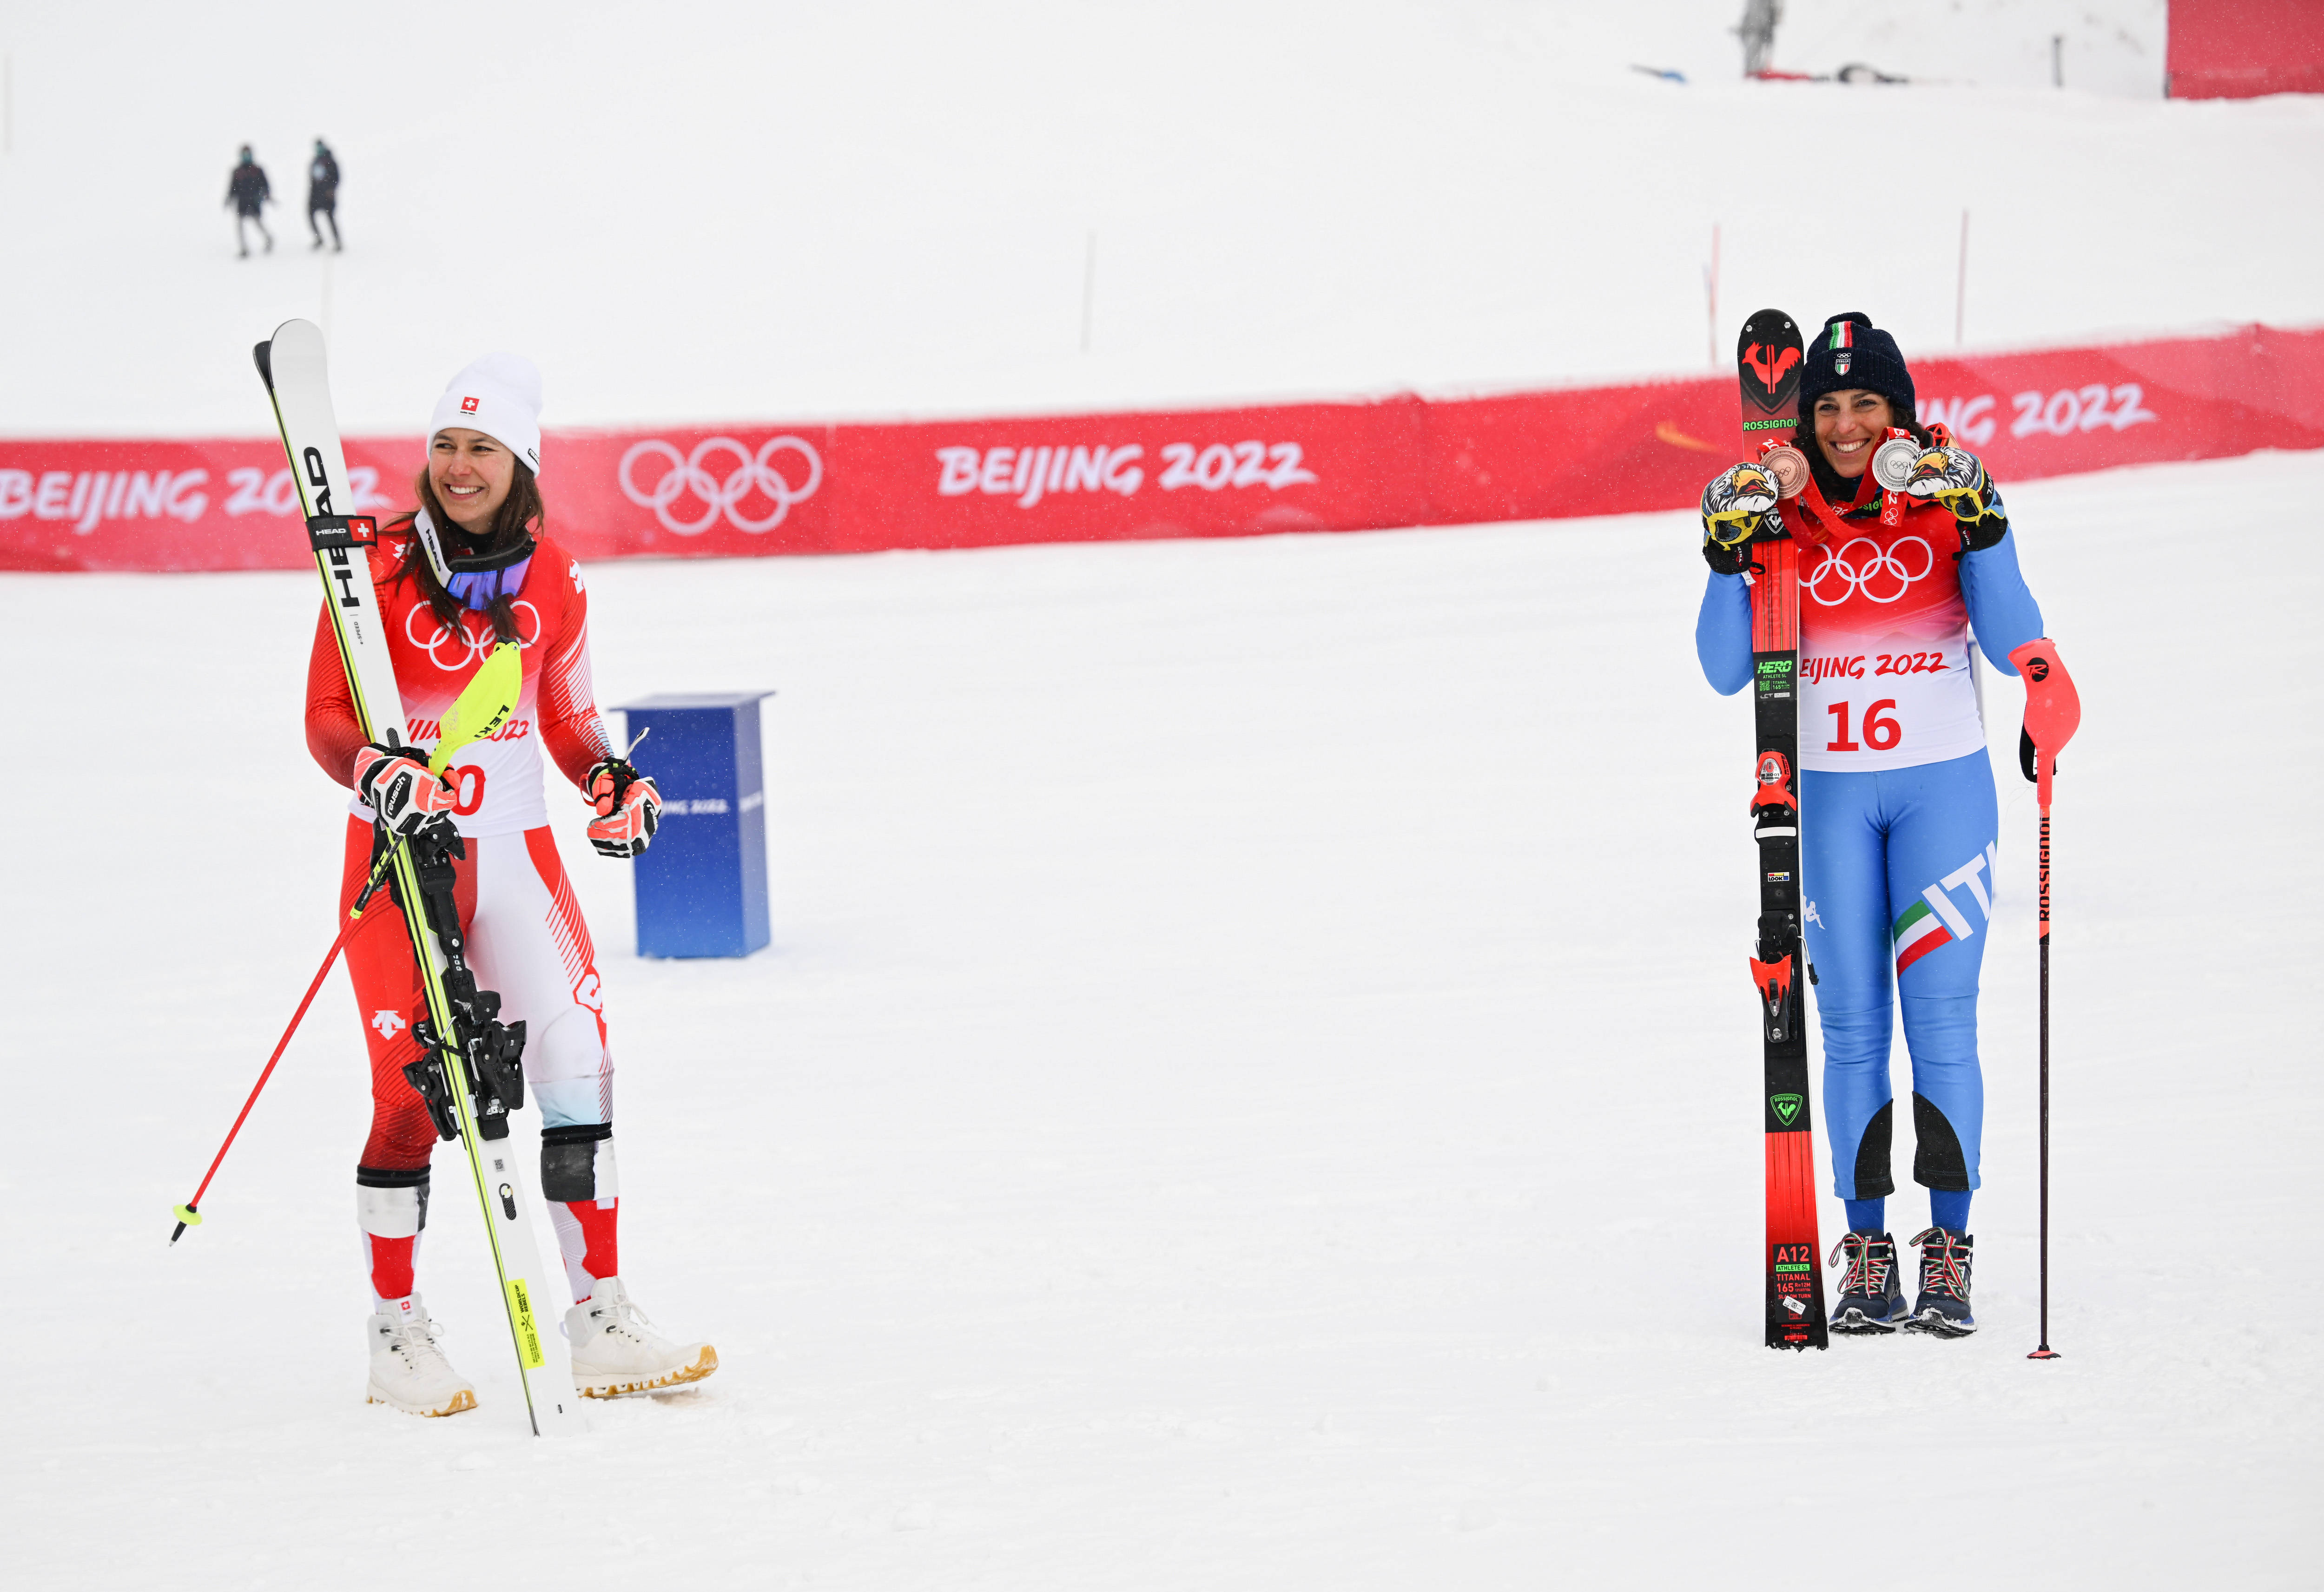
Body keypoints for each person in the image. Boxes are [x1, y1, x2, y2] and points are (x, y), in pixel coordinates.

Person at [304, 353, 715, 1415]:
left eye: (480, 447)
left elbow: (571, 722)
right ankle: (395, 1333)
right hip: (400, 863)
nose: (457, 464)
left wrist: (611, 783)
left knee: (579, 1062)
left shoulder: (558, 578)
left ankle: (601, 1319)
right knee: (410, 1095)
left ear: (521, 463)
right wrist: (375, 765)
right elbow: (326, 718)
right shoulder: (371, 567)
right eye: (443, 445)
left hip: (517, 853)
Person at [1694, 312, 2068, 1337]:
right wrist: (1724, 557)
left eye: (1867, 404)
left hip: (1941, 791)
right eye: (1827, 406)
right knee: (1853, 1024)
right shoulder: (1776, 510)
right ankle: (1865, 1251)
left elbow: (2008, 636)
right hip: (1831, 801)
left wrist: (1988, 528)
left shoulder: (1939, 494)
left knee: (1940, 1019)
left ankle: (1947, 1249)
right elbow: (1726, 670)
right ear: (1805, 417)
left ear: (1898, 411)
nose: (1848, 425)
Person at [225, 145, 272, 257]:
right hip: (242, 202)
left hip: (254, 202)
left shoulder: (257, 170)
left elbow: (265, 185)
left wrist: (265, 195)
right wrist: (229, 198)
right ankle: (244, 248)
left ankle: (269, 239)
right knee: (240, 225)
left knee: (258, 223)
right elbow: (233, 187)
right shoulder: (237, 171)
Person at [307, 138, 341, 251]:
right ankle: (319, 238)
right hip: (315, 195)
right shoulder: (315, 162)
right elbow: (312, 179)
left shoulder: (330, 162)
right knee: (311, 216)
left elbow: (337, 178)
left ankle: (338, 241)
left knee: (331, 218)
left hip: (328, 196)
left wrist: (331, 189)